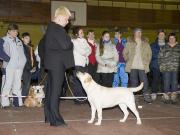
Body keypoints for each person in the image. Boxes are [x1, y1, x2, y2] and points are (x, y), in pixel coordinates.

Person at [43, 6, 74, 126]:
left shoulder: (50, 27)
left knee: (51, 91)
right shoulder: (58, 29)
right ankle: (56, 120)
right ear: (60, 17)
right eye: (66, 19)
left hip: (51, 63)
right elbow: (66, 45)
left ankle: (49, 116)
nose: (67, 22)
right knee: (55, 91)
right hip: (57, 64)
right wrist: (70, 41)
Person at [0, 23, 26, 107]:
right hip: (8, 67)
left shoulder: (19, 41)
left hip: (19, 67)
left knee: (18, 85)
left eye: (17, 31)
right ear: (9, 31)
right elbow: (0, 52)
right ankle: (5, 103)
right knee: (7, 84)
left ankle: (17, 103)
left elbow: (22, 54)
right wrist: (9, 60)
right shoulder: (3, 40)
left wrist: (24, 61)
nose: (16, 32)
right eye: (14, 31)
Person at [123, 28, 152, 103]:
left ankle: (146, 96)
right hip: (132, 67)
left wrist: (147, 62)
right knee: (134, 83)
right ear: (134, 33)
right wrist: (128, 61)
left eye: (140, 32)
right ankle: (134, 97)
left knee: (145, 82)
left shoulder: (146, 43)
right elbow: (124, 53)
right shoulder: (129, 43)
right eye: (137, 32)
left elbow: (150, 54)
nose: (139, 34)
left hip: (142, 67)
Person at [71, 27, 91, 103]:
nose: (83, 33)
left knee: (84, 81)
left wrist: (86, 51)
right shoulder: (74, 41)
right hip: (77, 64)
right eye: (81, 32)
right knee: (77, 82)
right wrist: (86, 51)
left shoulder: (85, 40)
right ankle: (78, 99)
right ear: (76, 34)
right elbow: (81, 51)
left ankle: (83, 97)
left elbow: (90, 49)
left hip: (85, 63)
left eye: (83, 32)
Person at [158, 33, 180, 104]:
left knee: (174, 83)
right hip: (166, 68)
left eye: (173, 38)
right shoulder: (164, 47)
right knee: (166, 82)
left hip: (176, 68)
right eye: (170, 38)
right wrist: (161, 67)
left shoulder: (179, 47)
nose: (172, 39)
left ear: (175, 39)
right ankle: (166, 98)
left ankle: (173, 98)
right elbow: (160, 58)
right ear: (168, 39)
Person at [150, 29, 166, 100]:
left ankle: (164, 93)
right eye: (160, 34)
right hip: (155, 65)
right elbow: (152, 55)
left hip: (165, 66)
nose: (161, 36)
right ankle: (154, 93)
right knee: (155, 79)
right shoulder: (153, 45)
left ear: (165, 36)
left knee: (165, 80)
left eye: (163, 34)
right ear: (157, 36)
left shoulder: (168, 45)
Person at [21, 32, 36, 100]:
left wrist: (34, 66)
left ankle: (24, 99)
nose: (28, 40)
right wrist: (28, 67)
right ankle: (22, 99)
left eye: (29, 38)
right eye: (26, 38)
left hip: (30, 68)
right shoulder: (21, 47)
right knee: (25, 84)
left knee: (27, 84)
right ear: (22, 39)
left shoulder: (30, 48)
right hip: (24, 68)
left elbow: (33, 58)